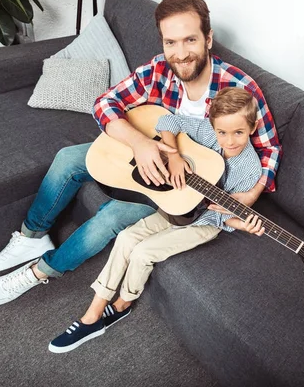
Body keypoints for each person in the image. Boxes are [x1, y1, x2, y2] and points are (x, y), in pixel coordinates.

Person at [0, 0, 281, 307]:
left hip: (184, 189)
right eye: (170, 42)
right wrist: (141, 143)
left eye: (190, 40)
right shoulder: (159, 69)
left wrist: (251, 194)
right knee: (67, 158)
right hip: (150, 153)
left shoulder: (240, 88)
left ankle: (40, 271)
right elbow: (105, 103)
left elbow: (269, 147)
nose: (180, 53)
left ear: (208, 39)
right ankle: (31, 237)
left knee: (110, 218)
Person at [49, 88, 266, 353]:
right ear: (213, 125)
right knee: (127, 237)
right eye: (222, 132)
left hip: (207, 222)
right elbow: (166, 122)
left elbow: (223, 213)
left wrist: (241, 223)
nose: (229, 140)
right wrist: (174, 156)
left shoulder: (251, 169)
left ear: (253, 127)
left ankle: (121, 306)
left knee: (142, 252)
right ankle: (92, 315)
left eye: (239, 133)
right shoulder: (208, 131)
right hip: (174, 206)